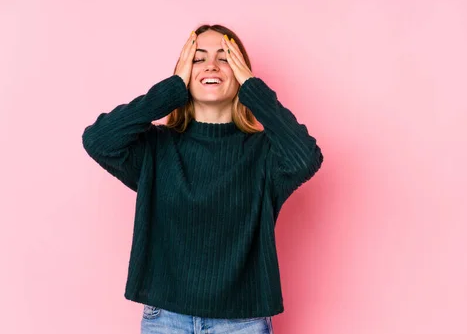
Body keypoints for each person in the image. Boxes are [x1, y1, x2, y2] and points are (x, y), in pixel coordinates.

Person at [81, 24, 324, 333]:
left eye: (225, 58)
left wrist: (254, 90)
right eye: (198, 58)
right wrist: (169, 91)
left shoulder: (265, 154)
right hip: (165, 320)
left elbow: (306, 157)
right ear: (183, 72)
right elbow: (98, 140)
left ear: (241, 74)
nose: (211, 65)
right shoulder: (156, 148)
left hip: (242, 322)